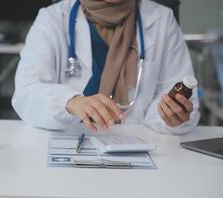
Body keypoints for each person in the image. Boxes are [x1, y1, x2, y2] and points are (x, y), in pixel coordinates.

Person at [12, 0, 200, 135]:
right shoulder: (52, 19)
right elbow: (26, 93)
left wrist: (170, 116)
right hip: (71, 141)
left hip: (137, 146)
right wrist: (72, 102)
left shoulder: (161, 20)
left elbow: (173, 96)